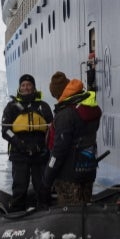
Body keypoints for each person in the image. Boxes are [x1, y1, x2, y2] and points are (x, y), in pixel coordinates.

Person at [42, 73, 102, 205]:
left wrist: (48, 177)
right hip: (87, 169)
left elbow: (59, 150)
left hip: (68, 176)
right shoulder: (89, 108)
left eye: (55, 95)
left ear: (58, 93)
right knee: (85, 210)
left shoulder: (65, 115)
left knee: (70, 214)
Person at [1, 74, 54, 211]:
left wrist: (40, 146)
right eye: (23, 85)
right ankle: (17, 216)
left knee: (42, 187)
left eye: (29, 85)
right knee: (20, 188)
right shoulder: (11, 107)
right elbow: (6, 131)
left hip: (39, 155)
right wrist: (21, 145)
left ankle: (44, 213)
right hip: (19, 155)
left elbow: (51, 131)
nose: (26, 88)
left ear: (34, 87)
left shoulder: (43, 107)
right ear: (19, 88)